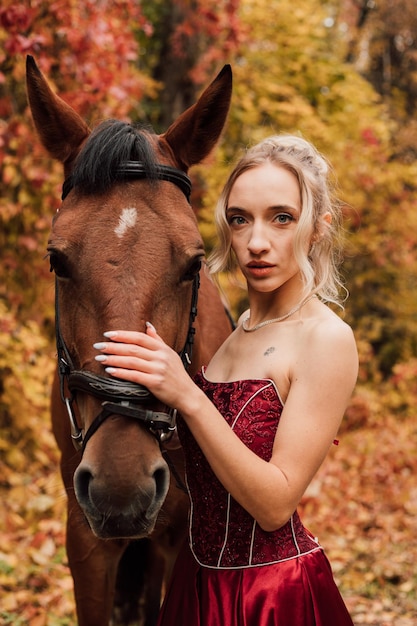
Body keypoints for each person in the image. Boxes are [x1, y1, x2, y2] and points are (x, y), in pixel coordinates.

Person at [93, 134, 359, 626]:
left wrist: (188, 396)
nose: (257, 242)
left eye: (282, 217)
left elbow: (275, 504)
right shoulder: (238, 333)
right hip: (194, 585)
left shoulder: (326, 339)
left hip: (271, 593)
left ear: (317, 229)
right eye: (240, 219)